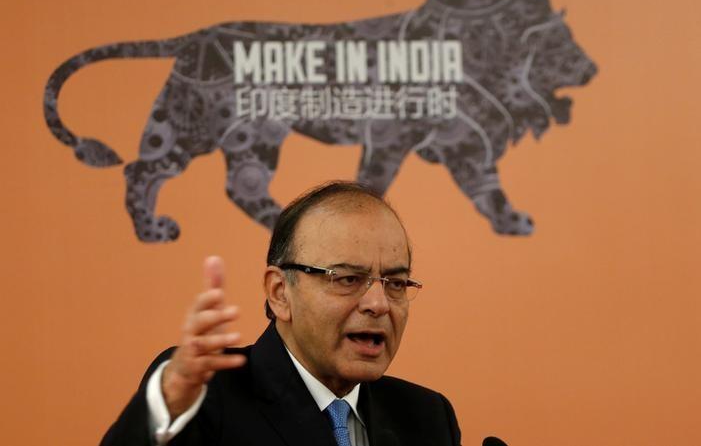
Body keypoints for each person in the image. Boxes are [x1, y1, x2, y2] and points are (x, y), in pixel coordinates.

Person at [101, 181, 461, 446]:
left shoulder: (426, 417)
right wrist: (164, 411)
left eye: (396, 283)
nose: (379, 303)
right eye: (348, 279)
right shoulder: (207, 396)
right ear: (279, 293)